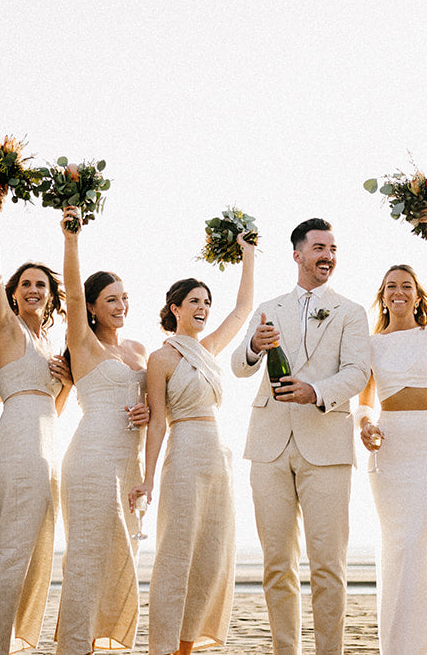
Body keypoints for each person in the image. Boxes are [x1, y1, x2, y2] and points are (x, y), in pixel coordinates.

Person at [231, 218, 371, 655]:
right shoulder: (270, 307)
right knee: (276, 564)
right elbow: (239, 365)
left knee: (328, 565)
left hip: (326, 446)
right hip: (269, 446)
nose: (328, 255)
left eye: (333, 248)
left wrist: (316, 391)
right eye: (319, 248)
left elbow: (357, 372)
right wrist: (255, 344)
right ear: (298, 255)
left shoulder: (351, 311)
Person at [130, 230, 257, 654]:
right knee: (177, 551)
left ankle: (187, 647)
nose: (203, 308)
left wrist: (248, 255)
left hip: (218, 455)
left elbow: (243, 310)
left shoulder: (211, 348)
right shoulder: (161, 358)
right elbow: (158, 424)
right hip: (183, 453)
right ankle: (162, 647)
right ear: (175, 309)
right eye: (195, 302)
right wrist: (148, 481)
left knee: (212, 552)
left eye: (206, 302)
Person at [0, 191, 74, 655]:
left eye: (42, 286)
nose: (34, 290)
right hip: (16, 444)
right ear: (14, 293)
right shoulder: (10, 330)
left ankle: (6, 644)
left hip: (46, 444)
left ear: (51, 296)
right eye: (26, 285)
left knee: (34, 555)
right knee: (11, 555)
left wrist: (68, 382)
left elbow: (53, 409)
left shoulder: (51, 345)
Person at [356, 208, 427, 655]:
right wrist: (367, 425)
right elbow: (363, 400)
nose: (399, 291)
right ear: (383, 296)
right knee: (397, 545)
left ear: (417, 297)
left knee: (418, 540)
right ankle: (397, 646)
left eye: (406, 286)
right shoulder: (370, 344)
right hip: (390, 447)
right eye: (391, 285)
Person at [54, 206, 151, 655]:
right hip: (91, 459)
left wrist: (148, 410)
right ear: (92, 308)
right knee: (88, 558)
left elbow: (154, 399)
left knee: (120, 558)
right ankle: (74, 648)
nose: (121, 306)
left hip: (127, 463)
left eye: (125, 297)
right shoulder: (85, 344)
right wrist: (72, 235)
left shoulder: (138, 349)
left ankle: (105, 646)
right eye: (110, 299)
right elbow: (71, 292)